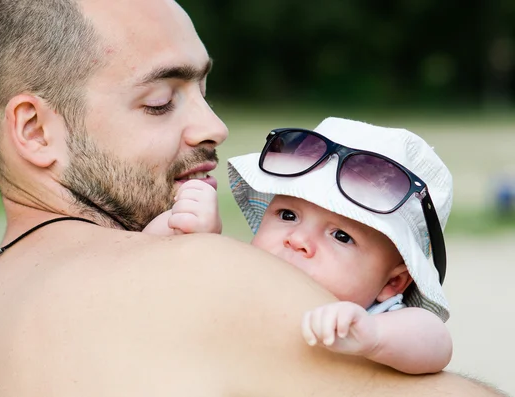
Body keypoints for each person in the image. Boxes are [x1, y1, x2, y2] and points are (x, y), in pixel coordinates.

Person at [0, 0, 508, 395]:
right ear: (34, 131)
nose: (215, 126)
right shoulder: (189, 272)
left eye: (204, 89)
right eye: (160, 100)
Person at [146, 117, 453, 375]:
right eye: (288, 215)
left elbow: (437, 342)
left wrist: (374, 337)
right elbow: (143, 257)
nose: (298, 240)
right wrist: (197, 239)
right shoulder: (240, 272)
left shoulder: (372, 319)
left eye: (341, 236)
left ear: (392, 282)